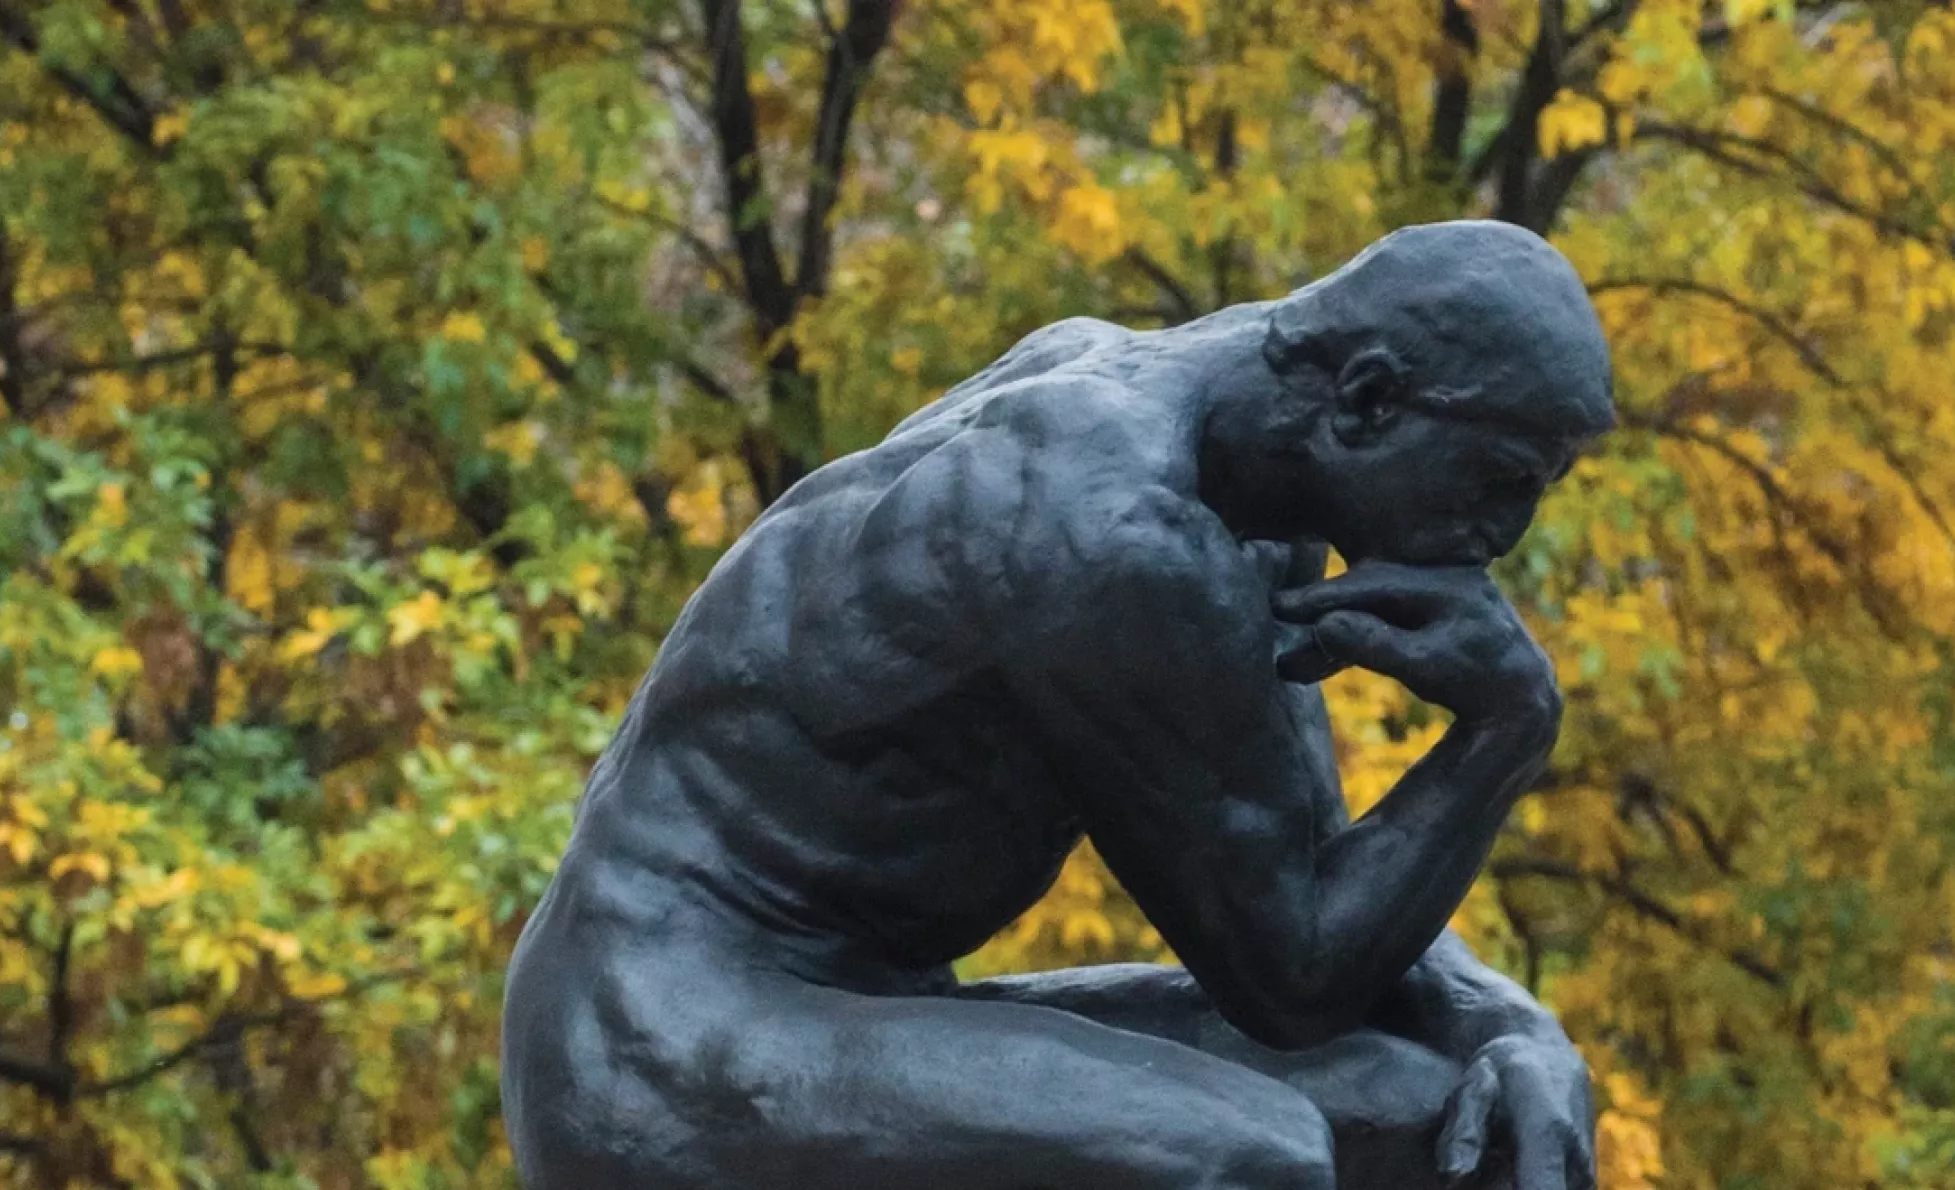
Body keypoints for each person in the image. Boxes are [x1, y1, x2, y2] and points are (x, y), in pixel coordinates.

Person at [502, 220, 1617, 1190]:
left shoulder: (1247, 484)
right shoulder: (1114, 528)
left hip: (857, 1003)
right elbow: (1295, 979)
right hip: (655, 1032)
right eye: (1502, 479)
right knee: (1247, 1158)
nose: (1505, 536)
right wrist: (1505, 730)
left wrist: (1507, 1023)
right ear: (1369, 400)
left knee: (1451, 1108)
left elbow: (1318, 875)